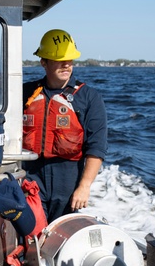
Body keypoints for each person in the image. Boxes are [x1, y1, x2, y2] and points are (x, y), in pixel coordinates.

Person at [22, 29, 107, 221]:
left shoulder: (89, 97)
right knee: (32, 233)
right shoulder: (25, 93)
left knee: (59, 238)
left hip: (67, 180)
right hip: (31, 176)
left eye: (70, 59)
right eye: (59, 59)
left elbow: (97, 147)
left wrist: (84, 187)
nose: (66, 64)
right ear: (43, 61)